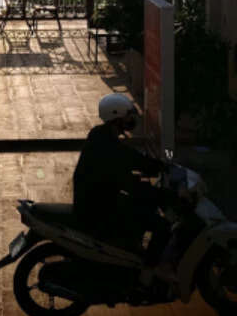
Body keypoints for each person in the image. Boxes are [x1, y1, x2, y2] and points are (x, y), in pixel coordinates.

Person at [73, 94, 174, 279]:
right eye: (128, 116)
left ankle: (131, 248)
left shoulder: (100, 135)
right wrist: (160, 193)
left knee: (144, 205)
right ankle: (147, 272)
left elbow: (130, 158)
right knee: (162, 226)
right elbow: (127, 167)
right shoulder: (109, 146)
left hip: (96, 199)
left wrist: (155, 167)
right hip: (99, 208)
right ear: (117, 117)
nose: (131, 120)